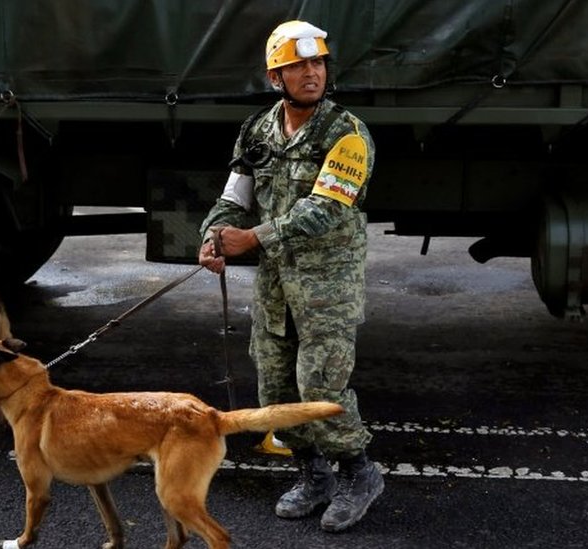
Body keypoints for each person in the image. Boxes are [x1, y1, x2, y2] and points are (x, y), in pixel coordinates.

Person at [197, 20, 383, 532]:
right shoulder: (258, 129)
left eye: (318, 63)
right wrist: (214, 235)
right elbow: (234, 196)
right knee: (275, 387)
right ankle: (313, 475)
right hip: (277, 284)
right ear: (275, 76)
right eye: (298, 65)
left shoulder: (346, 132)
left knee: (320, 384)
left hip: (328, 285)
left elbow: (325, 208)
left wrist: (251, 239)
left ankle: (359, 474)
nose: (311, 73)